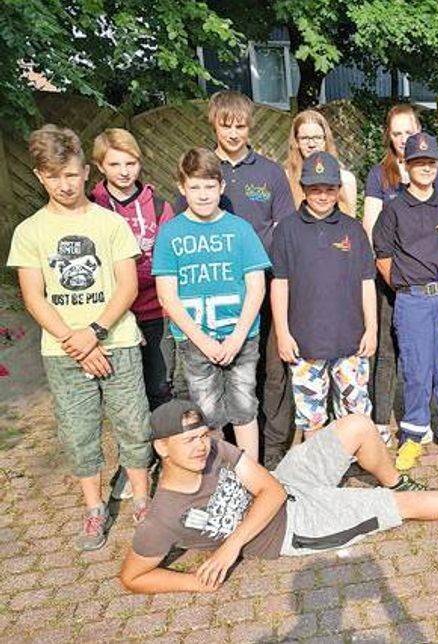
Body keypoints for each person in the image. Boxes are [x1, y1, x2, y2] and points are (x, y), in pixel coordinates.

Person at [119, 399, 438, 594]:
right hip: (296, 528)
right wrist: (193, 584)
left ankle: (396, 478)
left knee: (358, 424)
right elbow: (133, 577)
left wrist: (230, 546)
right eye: (188, 439)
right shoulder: (162, 518)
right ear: (161, 448)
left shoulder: (214, 450)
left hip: (287, 486)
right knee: (404, 510)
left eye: (202, 434)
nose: (201, 445)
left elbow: (269, 487)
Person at [7, 125, 153, 550]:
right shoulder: (29, 232)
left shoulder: (109, 224)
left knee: (133, 422)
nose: (64, 185)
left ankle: (143, 499)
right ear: (39, 176)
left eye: (71, 175)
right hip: (62, 350)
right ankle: (94, 509)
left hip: (117, 341)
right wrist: (74, 341)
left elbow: (127, 286)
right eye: (53, 176)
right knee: (77, 430)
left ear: (86, 172)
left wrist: (94, 332)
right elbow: (34, 297)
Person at [175, 90, 297, 470]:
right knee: (217, 375)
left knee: (271, 370)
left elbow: (283, 227)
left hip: (265, 284)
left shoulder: (270, 172)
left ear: (250, 126)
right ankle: (225, 450)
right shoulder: (203, 173)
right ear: (213, 123)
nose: (233, 133)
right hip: (218, 291)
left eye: (240, 125)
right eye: (226, 125)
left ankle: (272, 447)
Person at [153, 148, 271, 460]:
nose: (203, 195)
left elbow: (256, 286)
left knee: (244, 405)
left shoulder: (240, 229)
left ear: (221, 186)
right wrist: (203, 341)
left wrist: (237, 336)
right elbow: (167, 295)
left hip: (241, 336)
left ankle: (249, 471)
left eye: (209, 186)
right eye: (195, 187)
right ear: (182, 187)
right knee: (207, 411)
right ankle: (218, 475)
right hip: (195, 340)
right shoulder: (170, 234)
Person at [372, 133, 438, 470]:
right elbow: (383, 256)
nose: (425, 168)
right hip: (412, 300)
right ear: (406, 165)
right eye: (418, 162)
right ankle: (413, 437)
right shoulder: (394, 209)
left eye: (431, 162)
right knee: (415, 370)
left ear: (437, 166)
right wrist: (405, 286)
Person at [270, 151, 377, 439]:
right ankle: (318, 477)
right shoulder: (287, 230)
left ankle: (355, 466)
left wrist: (372, 328)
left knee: (355, 412)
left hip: (350, 340)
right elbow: (279, 283)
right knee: (311, 415)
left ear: (338, 191)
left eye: (329, 189)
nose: (322, 196)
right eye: (315, 189)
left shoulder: (353, 230)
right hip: (305, 343)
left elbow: (367, 281)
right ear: (304, 188)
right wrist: (283, 333)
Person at [362, 105, 438, 447]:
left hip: (424, 281)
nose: (402, 139)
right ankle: (381, 420)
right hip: (390, 278)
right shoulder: (378, 174)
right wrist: (393, 277)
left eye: (408, 132)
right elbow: (371, 226)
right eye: (396, 133)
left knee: (427, 350)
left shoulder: (433, 172)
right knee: (387, 352)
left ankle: (424, 417)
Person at [90, 128, 175, 411]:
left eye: (131, 163)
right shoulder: (91, 209)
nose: (124, 172)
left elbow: (167, 263)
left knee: (160, 388)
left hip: (155, 314)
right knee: (123, 396)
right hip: (111, 316)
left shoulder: (160, 206)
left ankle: (164, 451)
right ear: (100, 166)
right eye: (115, 164)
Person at [284, 109, 357, 215]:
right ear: (296, 142)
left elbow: (351, 224)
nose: (312, 144)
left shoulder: (346, 180)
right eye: (305, 138)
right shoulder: (285, 179)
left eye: (317, 138)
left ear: (325, 140)